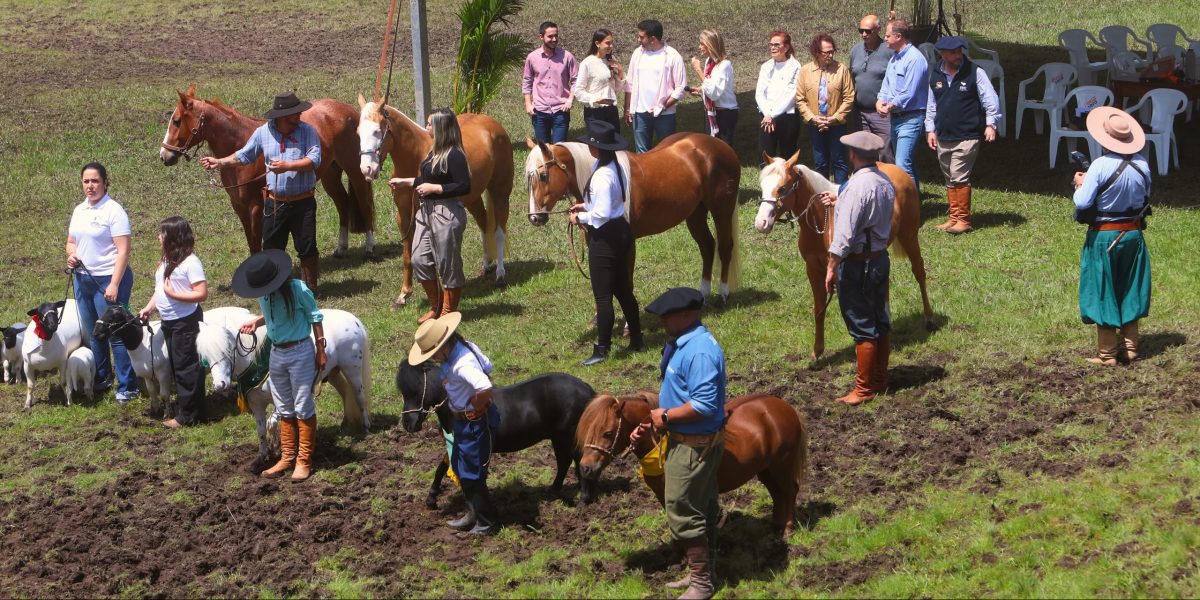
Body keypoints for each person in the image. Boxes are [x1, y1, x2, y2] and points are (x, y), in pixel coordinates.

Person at [630, 287, 725, 600]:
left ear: (687, 315)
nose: (662, 321)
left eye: (667, 316)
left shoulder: (699, 352)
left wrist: (666, 416)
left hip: (693, 445)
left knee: (682, 508)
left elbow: (704, 405)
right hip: (685, 438)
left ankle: (702, 583)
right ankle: (704, 573)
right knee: (702, 506)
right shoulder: (684, 343)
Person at [200, 92, 323, 289]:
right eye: (295, 113)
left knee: (307, 248)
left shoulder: (307, 131)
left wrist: (288, 166)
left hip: (303, 202)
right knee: (272, 249)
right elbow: (244, 155)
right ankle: (275, 290)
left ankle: (310, 290)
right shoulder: (263, 133)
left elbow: (314, 160)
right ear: (283, 116)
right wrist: (219, 162)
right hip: (275, 204)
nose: (300, 115)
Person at [233, 250, 326, 482]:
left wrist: (321, 349)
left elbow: (314, 316)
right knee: (284, 405)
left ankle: (303, 460)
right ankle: (287, 456)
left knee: (303, 404)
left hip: (300, 351)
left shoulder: (298, 289)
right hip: (277, 353)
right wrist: (258, 321)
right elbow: (275, 315)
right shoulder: (264, 296)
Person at [1072, 107, 1152, 366]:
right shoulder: (1143, 164)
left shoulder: (1099, 165)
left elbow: (1083, 202)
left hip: (1104, 236)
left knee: (1102, 289)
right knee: (1130, 287)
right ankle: (1130, 347)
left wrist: (1079, 185)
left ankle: (1107, 353)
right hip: (1133, 235)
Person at [819, 132, 894, 405]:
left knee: (862, 324)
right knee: (880, 320)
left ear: (852, 155)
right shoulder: (885, 181)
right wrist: (841, 198)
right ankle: (880, 380)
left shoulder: (855, 188)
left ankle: (863, 390)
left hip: (858, 266)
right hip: (879, 260)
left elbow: (844, 237)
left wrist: (831, 268)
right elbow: (868, 210)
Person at [409, 312, 499, 535]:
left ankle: (486, 522)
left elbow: (484, 386)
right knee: (459, 467)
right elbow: (488, 365)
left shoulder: (462, 365)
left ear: (442, 347)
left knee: (472, 474)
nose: (433, 359)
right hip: (462, 422)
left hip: (473, 424)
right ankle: (473, 513)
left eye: (433, 354)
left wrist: (476, 405)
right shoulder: (464, 347)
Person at [569, 120, 644, 365]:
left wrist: (579, 217)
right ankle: (637, 338)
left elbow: (600, 215)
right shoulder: (614, 167)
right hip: (621, 230)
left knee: (603, 297)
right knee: (623, 290)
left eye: (590, 144)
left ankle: (602, 349)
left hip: (605, 238)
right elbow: (609, 202)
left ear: (597, 148)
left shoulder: (602, 175)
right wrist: (585, 205)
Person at [389, 109, 472, 324]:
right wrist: (405, 182)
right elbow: (426, 179)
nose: (426, 127)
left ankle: (448, 310)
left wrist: (435, 189)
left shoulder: (455, 155)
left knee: (447, 263)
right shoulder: (433, 152)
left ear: (441, 128)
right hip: (426, 213)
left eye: (429, 124)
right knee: (419, 258)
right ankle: (436, 304)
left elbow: (464, 185)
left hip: (446, 212)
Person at [66, 162, 138, 403]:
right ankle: (103, 378)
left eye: (95, 181)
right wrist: (71, 255)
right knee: (95, 333)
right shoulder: (79, 210)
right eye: (86, 181)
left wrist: (114, 284)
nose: (90, 186)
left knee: (116, 333)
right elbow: (71, 242)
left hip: (108, 279)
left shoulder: (114, 211)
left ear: (106, 183)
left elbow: (123, 251)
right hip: (83, 280)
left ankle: (128, 386)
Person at [925, 36, 1001, 234]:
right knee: (949, 177)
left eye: (960, 51)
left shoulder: (975, 72)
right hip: (943, 135)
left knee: (959, 175)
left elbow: (990, 99)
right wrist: (930, 129)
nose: (958, 55)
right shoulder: (935, 73)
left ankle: (964, 220)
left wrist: (991, 124)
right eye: (953, 53)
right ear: (942, 54)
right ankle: (954, 217)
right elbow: (931, 104)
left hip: (967, 134)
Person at [137, 217, 208, 429]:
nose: (159, 237)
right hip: (168, 321)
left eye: (163, 234)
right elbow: (160, 289)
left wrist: (174, 295)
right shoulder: (167, 260)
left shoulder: (191, 263)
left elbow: (201, 293)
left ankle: (188, 416)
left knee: (186, 368)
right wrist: (150, 307)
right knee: (178, 367)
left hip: (185, 322)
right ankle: (189, 409)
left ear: (174, 238)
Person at [876, 20, 928, 190]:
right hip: (896, 118)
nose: (885, 38)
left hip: (911, 118)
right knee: (906, 162)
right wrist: (880, 100)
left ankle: (907, 202)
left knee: (902, 164)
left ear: (898, 36)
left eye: (888, 35)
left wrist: (889, 106)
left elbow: (909, 92)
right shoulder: (894, 58)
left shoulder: (915, 59)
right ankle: (914, 200)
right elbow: (886, 84)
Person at [797, 33, 856, 184]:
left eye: (832, 51)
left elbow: (849, 97)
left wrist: (835, 117)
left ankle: (841, 193)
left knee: (839, 161)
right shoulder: (805, 71)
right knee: (820, 162)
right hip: (815, 125)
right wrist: (812, 118)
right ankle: (822, 194)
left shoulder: (842, 70)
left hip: (837, 125)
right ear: (816, 52)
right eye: (826, 52)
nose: (830, 55)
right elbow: (800, 99)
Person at [624, 19, 687, 153]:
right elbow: (630, 83)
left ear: (653, 39)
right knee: (641, 153)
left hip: (665, 114)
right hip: (640, 112)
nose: (638, 40)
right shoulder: (638, 53)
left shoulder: (673, 56)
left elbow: (681, 88)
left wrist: (663, 106)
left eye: (641, 37)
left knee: (667, 151)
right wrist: (627, 108)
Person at [849, 14, 895, 163]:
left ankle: (889, 177)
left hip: (882, 114)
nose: (864, 34)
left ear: (878, 29)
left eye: (868, 31)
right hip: (860, 112)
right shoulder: (855, 50)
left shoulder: (889, 51)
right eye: (861, 30)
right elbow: (852, 77)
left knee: (885, 152)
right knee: (864, 152)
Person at [522, 21, 578, 144]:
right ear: (541, 37)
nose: (554, 39)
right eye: (550, 36)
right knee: (543, 149)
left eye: (556, 35)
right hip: (539, 111)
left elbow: (576, 80)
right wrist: (528, 104)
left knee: (560, 148)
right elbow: (527, 81)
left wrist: (569, 100)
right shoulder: (532, 57)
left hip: (561, 111)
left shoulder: (567, 57)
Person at [755, 31, 803, 162]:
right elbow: (759, 93)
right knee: (765, 155)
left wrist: (772, 114)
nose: (773, 47)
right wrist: (767, 114)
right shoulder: (766, 66)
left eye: (777, 45)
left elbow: (791, 96)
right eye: (771, 44)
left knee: (787, 157)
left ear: (786, 47)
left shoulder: (795, 66)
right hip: (766, 117)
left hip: (787, 117)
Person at [689, 29, 737, 146]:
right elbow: (710, 86)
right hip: (712, 111)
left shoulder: (725, 65)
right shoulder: (709, 62)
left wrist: (698, 70)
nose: (699, 47)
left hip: (725, 112)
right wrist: (700, 90)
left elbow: (714, 93)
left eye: (702, 44)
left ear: (711, 45)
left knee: (723, 148)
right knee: (711, 147)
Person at [573, 28, 625, 130]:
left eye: (612, 43)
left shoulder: (611, 60)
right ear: (597, 43)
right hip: (595, 112)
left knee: (615, 139)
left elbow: (616, 89)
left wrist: (620, 71)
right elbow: (578, 91)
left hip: (611, 110)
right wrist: (597, 100)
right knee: (598, 140)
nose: (611, 46)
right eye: (608, 43)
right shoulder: (587, 63)